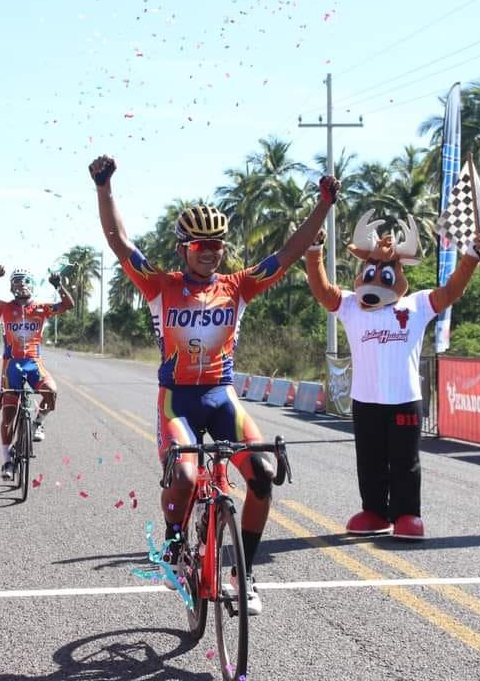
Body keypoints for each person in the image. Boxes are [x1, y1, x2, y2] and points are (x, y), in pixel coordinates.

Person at [91, 154, 338, 615]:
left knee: (262, 475)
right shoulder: (159, 286)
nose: (210, 251)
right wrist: (104, 188)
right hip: (177, 401)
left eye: (217, 244)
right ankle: (173, 544)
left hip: (221, 396)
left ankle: (243, 574)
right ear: (183, 248)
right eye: (201, 244)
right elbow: (120, 243)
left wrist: (323, 206)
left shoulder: (238, 286)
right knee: (185, 476)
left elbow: (287, 253)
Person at [305, 212, 480, 540]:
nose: (376, 279)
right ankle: (375, 512)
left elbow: (451, 291)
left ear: (399, 274)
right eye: (371, 271)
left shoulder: (417, 305)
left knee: (405, 461)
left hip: (404, 401)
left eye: (385, 273)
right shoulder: (350, 305)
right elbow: (322, 289)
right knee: (369, 461)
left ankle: (407, 514)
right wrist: (313, 252)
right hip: (365, 401)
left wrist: (471, 256)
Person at [0, 265, 74, 480]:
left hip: (33, 364)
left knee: (51, 392)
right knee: (8, 416)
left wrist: (58, 285)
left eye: (25, 280)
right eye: (17, 281)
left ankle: (37, 423)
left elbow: (68, 304)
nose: (21, 284)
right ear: (11, 286)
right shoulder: (4, 307)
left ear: (32, 285)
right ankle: (6, 460)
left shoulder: (41, 308)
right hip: (11, 366)